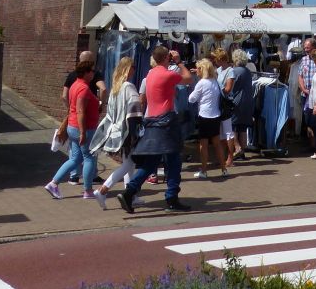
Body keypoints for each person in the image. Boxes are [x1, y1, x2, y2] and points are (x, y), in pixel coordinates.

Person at [118, 45, 194, 214]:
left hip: (151, 121)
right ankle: (172, 197)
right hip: (166, 122)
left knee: (152, 162)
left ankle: (129, 192)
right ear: (167, 58)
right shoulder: (168, 75)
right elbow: (189, 78)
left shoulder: (150, 74)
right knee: (174, 160)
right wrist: (180, 62)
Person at [89, 55, 142, 209]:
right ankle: (103, 190)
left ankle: (131, 196)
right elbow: (134, 110)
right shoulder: (129, 87)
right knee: (128, 165)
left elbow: (111, 112)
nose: (134, 70)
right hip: (128, 131)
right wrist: (137, 131)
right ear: (128, 68)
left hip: (117, 131)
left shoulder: (115, 88)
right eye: (133, 67)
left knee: (128, 164)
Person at [45, 62, 100, 199]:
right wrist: (83, 132)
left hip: (72, 126)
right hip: (84, 128)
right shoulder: (83, 88)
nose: (94, 73)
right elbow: (81, 111)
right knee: (89, 158)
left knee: (75, 158)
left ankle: (53, 183)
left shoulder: (75, 85)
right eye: (92, 71)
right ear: (86, 72)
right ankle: (88, 191)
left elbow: (75, 108)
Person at [60, 51, 107, 183]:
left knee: (74, 151)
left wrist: (70, 109)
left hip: (73, 119)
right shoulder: (94, 74)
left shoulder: (72, 76)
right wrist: (101, 104)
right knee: (90, 152)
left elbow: (64, 96)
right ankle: (91, 178)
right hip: (88, 119)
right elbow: (103, 89)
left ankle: (73, 176)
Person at [188, 58, 227, 180]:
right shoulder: (214, 81)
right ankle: (224, 169)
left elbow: (191, 99)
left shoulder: (201, 83)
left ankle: (204, 171)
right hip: (216, 115)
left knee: (203, 145)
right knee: (217, 143)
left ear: (201, 69)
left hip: (204, 116)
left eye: (198, 68)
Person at [223, 48, 255, 158]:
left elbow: (230, 86)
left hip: (237, 101)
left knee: (232, 126)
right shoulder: (247, 71)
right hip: (247, 101)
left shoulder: (234, 71)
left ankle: (237, 148)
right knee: (242, 128)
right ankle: (242, 153)